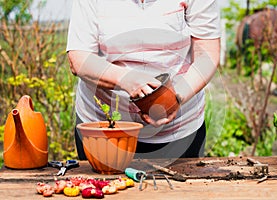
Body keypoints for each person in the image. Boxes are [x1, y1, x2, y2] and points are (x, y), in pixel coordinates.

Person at [66, 0, 221, 160]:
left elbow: (206, 54)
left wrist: (175, 98)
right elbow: (79, 59)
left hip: (179, 131)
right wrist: (126, 79)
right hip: (104, 129)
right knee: (101, 185)